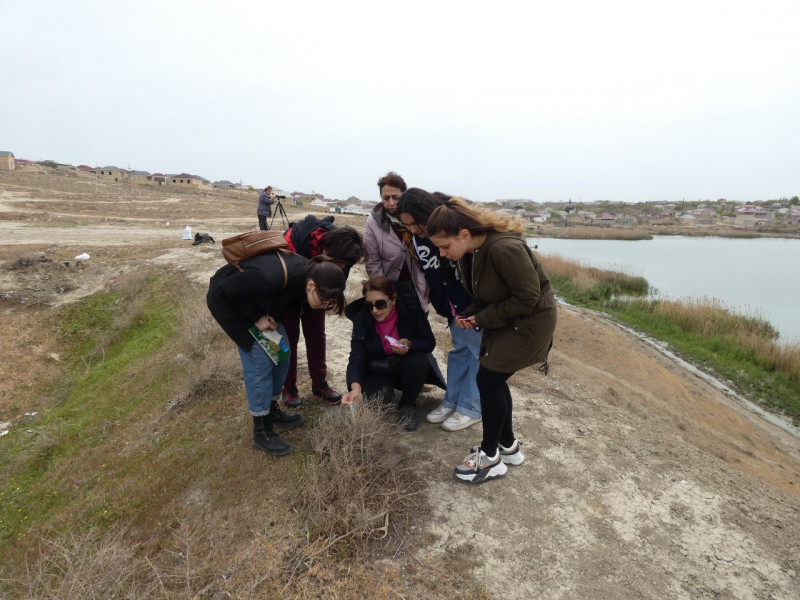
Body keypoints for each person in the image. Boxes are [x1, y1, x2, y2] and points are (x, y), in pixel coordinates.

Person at [426, 197, 557, 484]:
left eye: (445, 246)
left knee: (488, 379)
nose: (442, 253)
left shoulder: (504, 248)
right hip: (513, 320)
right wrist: (470, 313)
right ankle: (508, 447)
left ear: (464, 235)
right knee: (492, 379)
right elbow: (488, 295)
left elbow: (527, 298)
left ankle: (490, 458)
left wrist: (482, 319)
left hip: (531, 323)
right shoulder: (474, 250)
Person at [207, 252, 346, 456]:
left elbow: (280, 297)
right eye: (324, 302)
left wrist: (269, 316)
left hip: (258, 308)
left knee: (281, 355)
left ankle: (271, 411)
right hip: (230, 304)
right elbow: (225, 289)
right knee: (259, 362)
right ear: (311, 286)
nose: (325, 307)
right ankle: (261, 431)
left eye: (331, 304)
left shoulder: (307, 273)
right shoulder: (271, 277)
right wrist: (256, 317)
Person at [396, 188, 482, 431]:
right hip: (449, 303)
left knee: (476, 353)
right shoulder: (417, 235)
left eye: (414, 223)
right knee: (460, 350)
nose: (412, 229)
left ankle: (471, 407)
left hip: (470, 301)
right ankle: (452, 399)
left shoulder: (451, 224)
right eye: (407, 225)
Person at [280, 214, 366, 408]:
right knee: (289, 338)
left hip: (319, 292)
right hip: (288, 293)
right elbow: (281, 277)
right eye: (337, 263)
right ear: (325, 250)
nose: (340, 268)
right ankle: (289, 387)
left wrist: (325, 300)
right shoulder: (296, 242)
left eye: (344, 266)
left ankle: (320, 384)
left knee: (317, 335)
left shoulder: (346, 254)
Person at [341, 276, 445, 431]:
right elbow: (357, 356)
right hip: (378, 367)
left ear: (394, 299)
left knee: (419, 359)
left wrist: (410, 343)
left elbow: (429, 343)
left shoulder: (411, 308)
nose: (374, 310)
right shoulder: (362, 317)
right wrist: (355, 387)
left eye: (380, 304)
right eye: (369, 305)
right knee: (378, 407)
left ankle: (407, 405)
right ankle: (389, 389)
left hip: (406, 365)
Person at [364, 172, 429, 312]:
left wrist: (431, 283)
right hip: (389, 288)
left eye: (396, 197)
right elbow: (372, 261)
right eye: (386, 198)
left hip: (419, 286)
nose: (391, 203)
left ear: (404, 195)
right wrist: (384, 293)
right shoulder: (373, 222)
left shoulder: (418, 218)